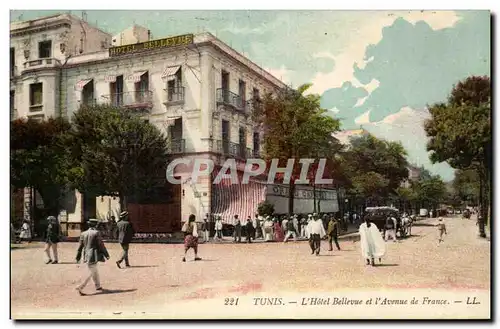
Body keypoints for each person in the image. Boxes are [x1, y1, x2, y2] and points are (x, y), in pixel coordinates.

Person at [75, 218, 110, 295]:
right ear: (96, 225)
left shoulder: (83, 233)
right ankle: (81, 286)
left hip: (86, 254)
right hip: (94, 255)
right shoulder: (96, 233)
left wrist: (78, 256)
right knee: (91, 271)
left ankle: (98, 285)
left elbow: (80, 246)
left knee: (95, 271)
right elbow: (101, 245)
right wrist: (106, 254)